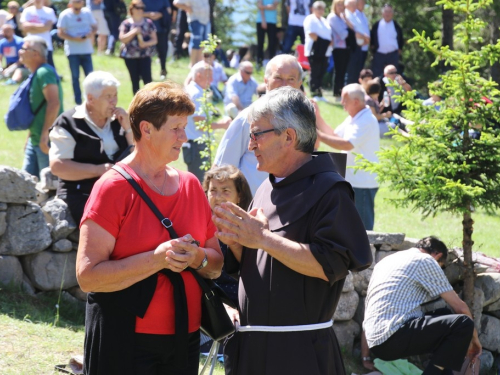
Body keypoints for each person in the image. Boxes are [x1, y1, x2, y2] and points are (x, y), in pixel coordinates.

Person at [213, 86, 373, 375]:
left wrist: (262, 238)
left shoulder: (330, 190)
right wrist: (238, 242)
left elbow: (330, 265)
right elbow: (260, 261)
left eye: (257, 134)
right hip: (252, 349)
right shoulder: (266, 186)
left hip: (299, 354)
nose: (250, 145)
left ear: (289, 136)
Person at [77, 81, 224, 375]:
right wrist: (158, 259)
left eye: (185, 127)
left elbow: (216, 263)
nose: (184, 136)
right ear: (146, 129)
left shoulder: (192, 185)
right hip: (124, 341)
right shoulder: (113, 187)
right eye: (176, 128)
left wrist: (196, 258)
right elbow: (88, 277)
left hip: (185, 339)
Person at [363, 236, 482, 374]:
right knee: (463, 323)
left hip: (377, 341)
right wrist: (474, 340)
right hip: (393, 336)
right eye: (441, 267)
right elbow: (460, 308)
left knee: (444, 316)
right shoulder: (426, 260)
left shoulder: (385, 262)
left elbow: (369, 314)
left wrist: (365, 357)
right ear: (438, 255)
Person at [49, 71, 133, 224]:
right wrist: (100, 170)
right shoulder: (68, 123)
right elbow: (58, 167)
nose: (114, 101)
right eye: (108, 97)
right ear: (90, 99)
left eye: (115, 95)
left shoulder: (119, 120)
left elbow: (138, 155)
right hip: (82, 193)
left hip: (122, 192)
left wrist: (128, 128)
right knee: (111, 227)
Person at [214, 54, 303, 195]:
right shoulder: (247, 119)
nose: (284, 85)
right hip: (248, 210)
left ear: (299, 84)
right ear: (266, 81)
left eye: (291, 79)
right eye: (278, 78)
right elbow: (222, 169)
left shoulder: (302, 122)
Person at [316, 83, 379, 230]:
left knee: (362, 229)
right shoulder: (355, 117)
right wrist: (317, 116)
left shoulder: (366, 120)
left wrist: (317, 135)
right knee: (350, 226)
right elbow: (334, 136)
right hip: (353, 181)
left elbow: (346, 144)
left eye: (344, 100)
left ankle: (365, 253)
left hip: (362, 184)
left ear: (356, 102)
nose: (342, 103)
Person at [202, 164, 253, 304]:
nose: (218, 197)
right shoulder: (198, 225)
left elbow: (252, 270)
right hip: (208, 300)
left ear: (239, 196)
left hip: (241, 298)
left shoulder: (249, 227)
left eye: (225, 190)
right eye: (213, 190)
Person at [19, 35, 63, 178]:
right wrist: (30, 136)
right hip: (35, 139)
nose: (20, 51)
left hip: (45, 141)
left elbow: (54, 103)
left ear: (35, 53)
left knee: (48, 185)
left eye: (23, 48)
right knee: (24, 185)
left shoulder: (45, 72)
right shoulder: (36, 73)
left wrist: (45, 136)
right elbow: (38, 108)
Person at [183, 61, 231, 181]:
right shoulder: (196, 94)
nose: (212, 80)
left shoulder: (195, 91)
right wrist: (222, 125)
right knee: (201, 184)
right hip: (197, 147)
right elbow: (201, 125)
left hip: (195, 146)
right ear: (199, 75)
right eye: (209, 76)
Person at [57, 0, 97, 105]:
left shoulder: (87, 12)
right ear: (70, 4)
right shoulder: (65, 15)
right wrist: (74, 38)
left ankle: (92, 100)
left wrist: (90, 34)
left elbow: (95, 27)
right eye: (76, 3)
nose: (78, 6)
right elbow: (60, 32)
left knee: (90, 77)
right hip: (72, 51)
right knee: (75, 77)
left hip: (86, 50)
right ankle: (78, 101)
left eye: (80, 3)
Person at [119, 0, 157, 94]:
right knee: (135, 80)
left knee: (148, 81)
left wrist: (145, 44)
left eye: (142, 8)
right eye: (138, 8)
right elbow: (122, 39)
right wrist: (134, 31)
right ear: (132, 9)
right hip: (131, 57)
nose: (140, 10)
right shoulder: (126, 23)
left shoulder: (148, 23)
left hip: (145, 55)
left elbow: (154, 40)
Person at [303, 1, 332, 100]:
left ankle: (319, 93)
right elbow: (311, 34)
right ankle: (314, 92)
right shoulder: (310, 19)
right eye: (318, 8)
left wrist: (329, 42)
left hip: (325, 51)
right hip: (315, 50)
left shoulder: (324, 20)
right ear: (313, 9)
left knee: (321, 72)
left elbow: (329, 35)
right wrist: (325, 42)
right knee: (315, 71)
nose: (320, 10)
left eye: (322, 8)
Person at [327, 0, 354, 99]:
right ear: (334, 6)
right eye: (338, 5)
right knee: (338, 71)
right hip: (338, 48)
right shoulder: (332, 17)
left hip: (345, 48)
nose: (341, 7)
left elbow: (352, 28)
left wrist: (346, 19)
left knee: (343, 71)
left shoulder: (342, 18)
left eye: (342, 5)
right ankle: (336, 92)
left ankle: (341, 92)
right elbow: (343, 34)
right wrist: (350, 32)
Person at [20, 0, 57, 68]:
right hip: (30, 46)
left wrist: (31, 26)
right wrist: (41, 26)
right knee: (31, 67)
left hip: (46, 45)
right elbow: (24, 27)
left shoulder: (49, 11)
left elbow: (47, 27)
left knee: (48, 67)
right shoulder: (27, 10)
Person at [370, 4, 403, 78]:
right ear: (382, 13)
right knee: (377, 76)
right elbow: (372, 38)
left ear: (392, 14)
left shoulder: (396, 26)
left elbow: (400, 39)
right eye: (386, 11)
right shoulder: (377, 25)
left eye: (389, 12)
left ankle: (393, 90)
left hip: (393, 55)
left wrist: (399, 50)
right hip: (379, 55)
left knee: (393, 76)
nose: (387, 14)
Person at [173, 0, 210, 67]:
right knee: (196, 42)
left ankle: (199, 64)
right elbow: (176, 3)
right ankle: (193, 64)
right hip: (195, 20)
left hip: (206, 21)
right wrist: (187, 8)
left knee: (204, 43)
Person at [143, 0, 172, 80]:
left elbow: (169, 10)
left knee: (162, 51)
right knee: (146, 53)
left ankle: (163, 70)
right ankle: (146, 74)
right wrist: (148, 14)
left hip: (161, 29)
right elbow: (135, 11)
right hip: (146, 31)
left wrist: (160, 14)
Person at [344, 0, 369, 85]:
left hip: (359, 46)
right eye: (353, 5)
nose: (356, 7)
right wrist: (365, 38)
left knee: (356, 70)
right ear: (347, 5)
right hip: (353, 46)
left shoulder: (354, 15)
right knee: (351, 70)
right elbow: (355, 31)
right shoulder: (346, 15)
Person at [256, 0, 279, 67]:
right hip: (260, 20)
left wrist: (263, 6)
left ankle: (272, 64)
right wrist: (263, 20)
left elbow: (273, 7)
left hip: (272, 21)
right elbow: (260, 6)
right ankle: (259, 63)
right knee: (260, 43)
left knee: (272, 43)